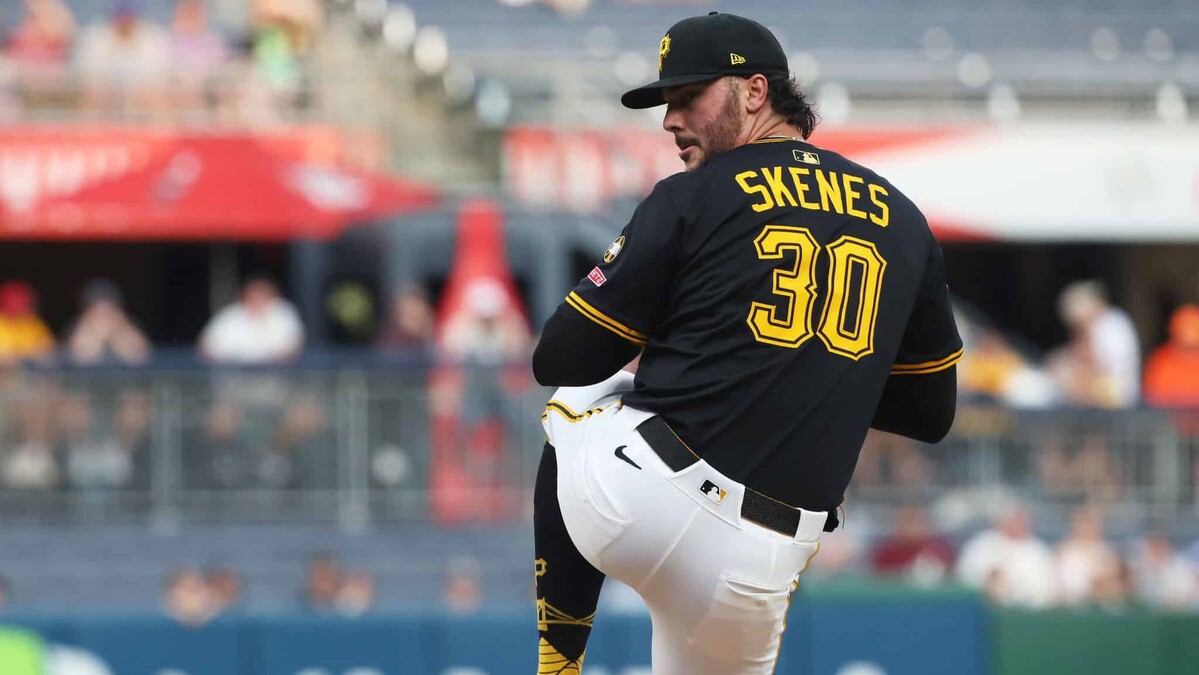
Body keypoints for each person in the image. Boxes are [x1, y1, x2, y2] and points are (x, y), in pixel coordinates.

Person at [528, 13, 961, 674]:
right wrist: (810, 372)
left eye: (687, 97)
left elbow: (557, 356)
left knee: (578, 397)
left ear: (755, 91)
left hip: (644, 501)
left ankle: (557, 664)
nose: (670, 120)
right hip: (765, 560)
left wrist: (697, 337)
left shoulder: (694, 195)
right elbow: (930, 413)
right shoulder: (903, 219)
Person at [956, 506, 1055, 609]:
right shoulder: (982, 544)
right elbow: (966, 575)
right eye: (1012, 520)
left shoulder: (1038, 550)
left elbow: (1047, 587)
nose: (1016, 525)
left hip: (1030, 610)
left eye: (1019, 521)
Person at [199, 276, 304, 363]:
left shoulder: (283, 312)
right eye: (253, 295)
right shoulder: (230, 314)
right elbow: (205, 345)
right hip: (233, 373)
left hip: (275, 374)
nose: (257, 299)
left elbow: (293, 347)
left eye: (262, 295)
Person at [64, 279, 151, 365]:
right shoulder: (78, 331)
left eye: (109, 312)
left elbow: (141, 355)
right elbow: (76, 356)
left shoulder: (128, 329)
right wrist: (92, 338)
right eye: (97, 314)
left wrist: (120, 335)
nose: (103, 319)